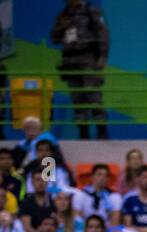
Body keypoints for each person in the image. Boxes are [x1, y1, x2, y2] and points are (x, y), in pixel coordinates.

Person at [50, 0, 110, 140]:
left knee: (93, 96)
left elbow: (103, 35)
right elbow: (54, 38)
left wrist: (102, 57)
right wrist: (61, 27)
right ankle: (83, 132)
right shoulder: (63, 14)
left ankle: (101, 131)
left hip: (87, 58)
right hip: (69, 61)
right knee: (77, 99)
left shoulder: (90, 11)